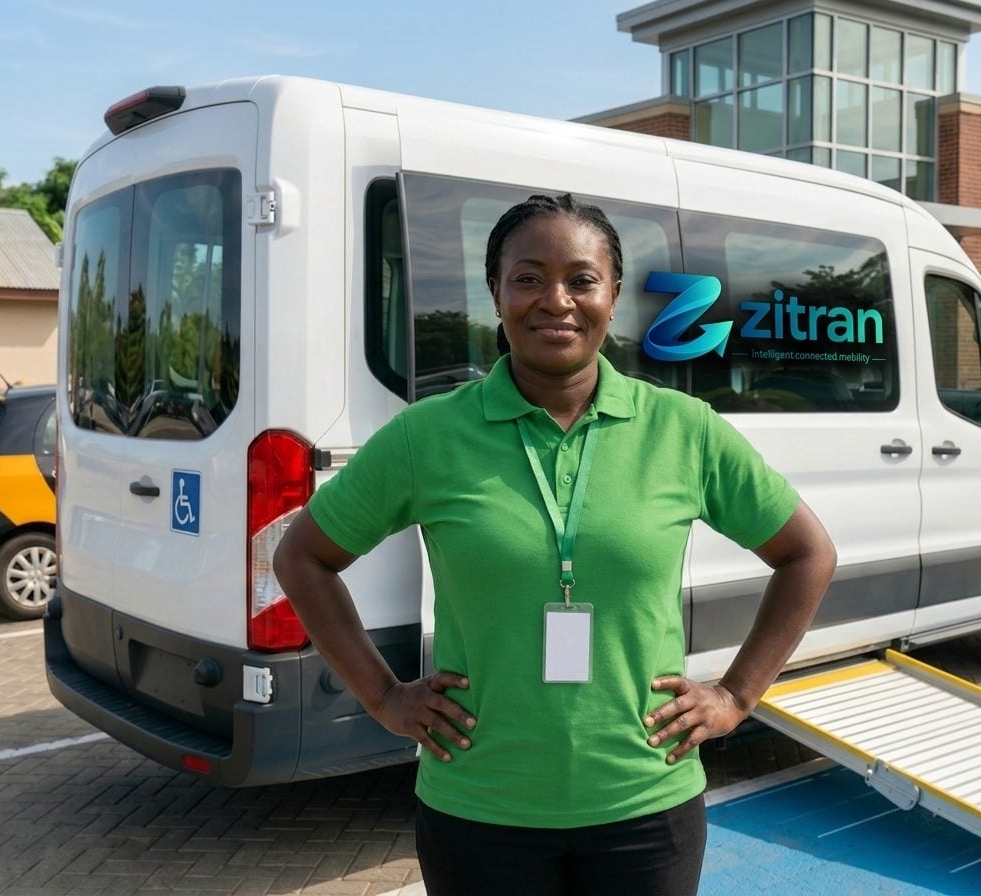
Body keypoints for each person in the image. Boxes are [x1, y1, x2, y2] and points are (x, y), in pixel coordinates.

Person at [272, 193, 837, 895]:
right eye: (528, 278)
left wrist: (735, 695)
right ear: (496, 294)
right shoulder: (427, 436)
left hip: (644, 804)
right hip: (478, 808)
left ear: (614, 295)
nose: (555, 301)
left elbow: (806, 552)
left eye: (580, 279)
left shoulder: (683, 429)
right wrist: (383, 696)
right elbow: (302, 557)